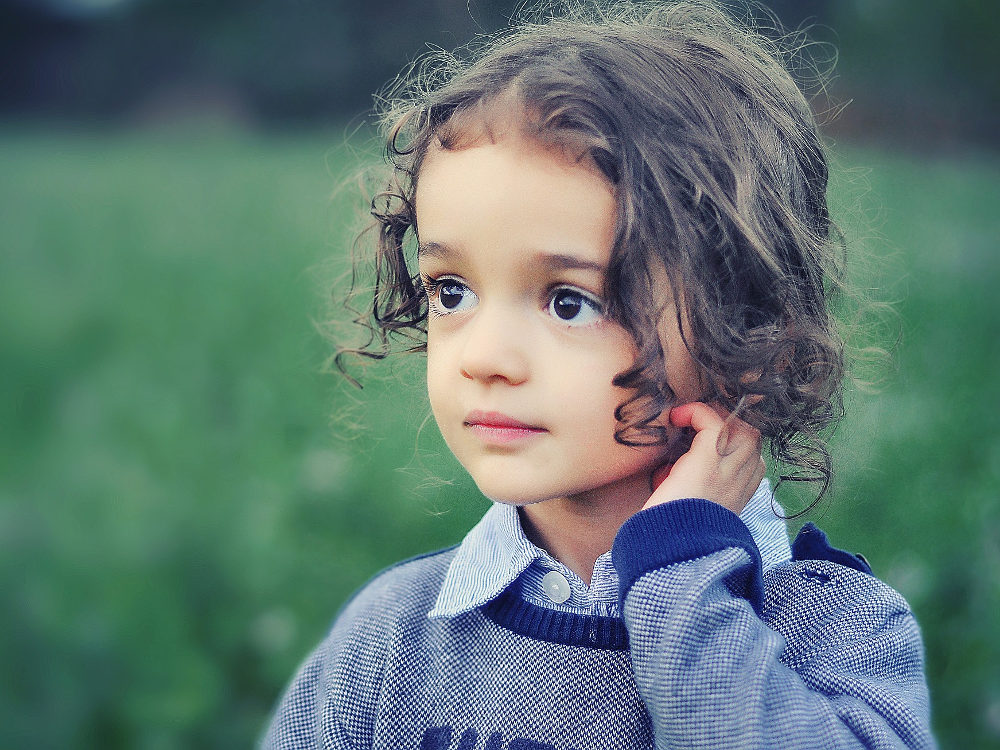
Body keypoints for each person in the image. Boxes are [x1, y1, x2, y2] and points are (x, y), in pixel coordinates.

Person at [263, 1, 935, 747]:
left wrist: (680, 576)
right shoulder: (391, 641)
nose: (483, 356)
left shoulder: (835, 633)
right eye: (451, 291)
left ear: (751, 330)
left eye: (571, 301)